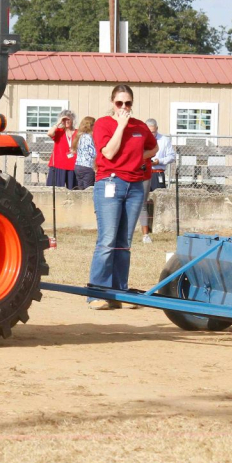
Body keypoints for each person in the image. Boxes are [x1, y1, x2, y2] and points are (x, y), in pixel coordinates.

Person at [86, 85, 157, 310]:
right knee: (107, 240)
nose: (124, 108)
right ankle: (97, 293)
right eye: (120, 103)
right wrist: (122, 125)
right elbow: (108, 152)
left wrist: (136, 157)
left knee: (124, 242)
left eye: (128, 103)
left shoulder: (141, 127)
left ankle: (118, 291)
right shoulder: (103, 124)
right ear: (112, 102)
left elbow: (153, 149)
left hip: (135, 186)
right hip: (110, 182)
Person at [137, 118, 177, 244]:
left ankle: (156, 227)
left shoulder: (164, 140)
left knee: (157, 201)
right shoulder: (139, 139)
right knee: (141, 202)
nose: (151, 134)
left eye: (153, 132)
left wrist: (160, 161)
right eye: (149, 132)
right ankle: (144, 229)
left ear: (157, 129)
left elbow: (172, 156)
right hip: (142, 173)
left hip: (157, 173)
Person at [46, 109, 77, 189]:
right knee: (56, 191)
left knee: (73, 191)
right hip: (58, 165)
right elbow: (49, 133)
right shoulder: (59, 131)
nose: (66, 121)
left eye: (68, 119)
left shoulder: (78, 132)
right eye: (64, 119)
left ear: (72, 119)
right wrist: (58, 123)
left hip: (73, 166)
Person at [72, 116, 96, 189]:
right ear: (90, 126)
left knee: (81, 188)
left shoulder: (79, 136)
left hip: (78, 166)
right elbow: (93, 152)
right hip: (87, 166)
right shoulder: (88, 137)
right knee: (88, 189)